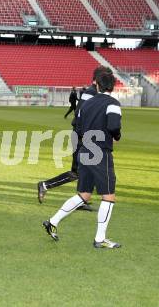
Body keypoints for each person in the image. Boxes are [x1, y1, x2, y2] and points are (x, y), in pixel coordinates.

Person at [43, 67, 122, 249]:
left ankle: (52, 221)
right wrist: (116, 137)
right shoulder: (113, 103)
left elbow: (77, 127)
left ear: (97, 84)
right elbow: (113, 126)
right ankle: (100, 239)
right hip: (100, 152)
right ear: (113, 86)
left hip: (84, 150)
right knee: (108, 196)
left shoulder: (86, 103)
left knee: (84, 194)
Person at [37, 66, 109, 206]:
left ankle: (80, 200)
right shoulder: (90, 93)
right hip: (82, 135)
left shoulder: (93, 92)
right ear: (100, 79)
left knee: (86, 170)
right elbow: (81, 114)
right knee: (80, 171)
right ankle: (45, 185)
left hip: (84, 135)